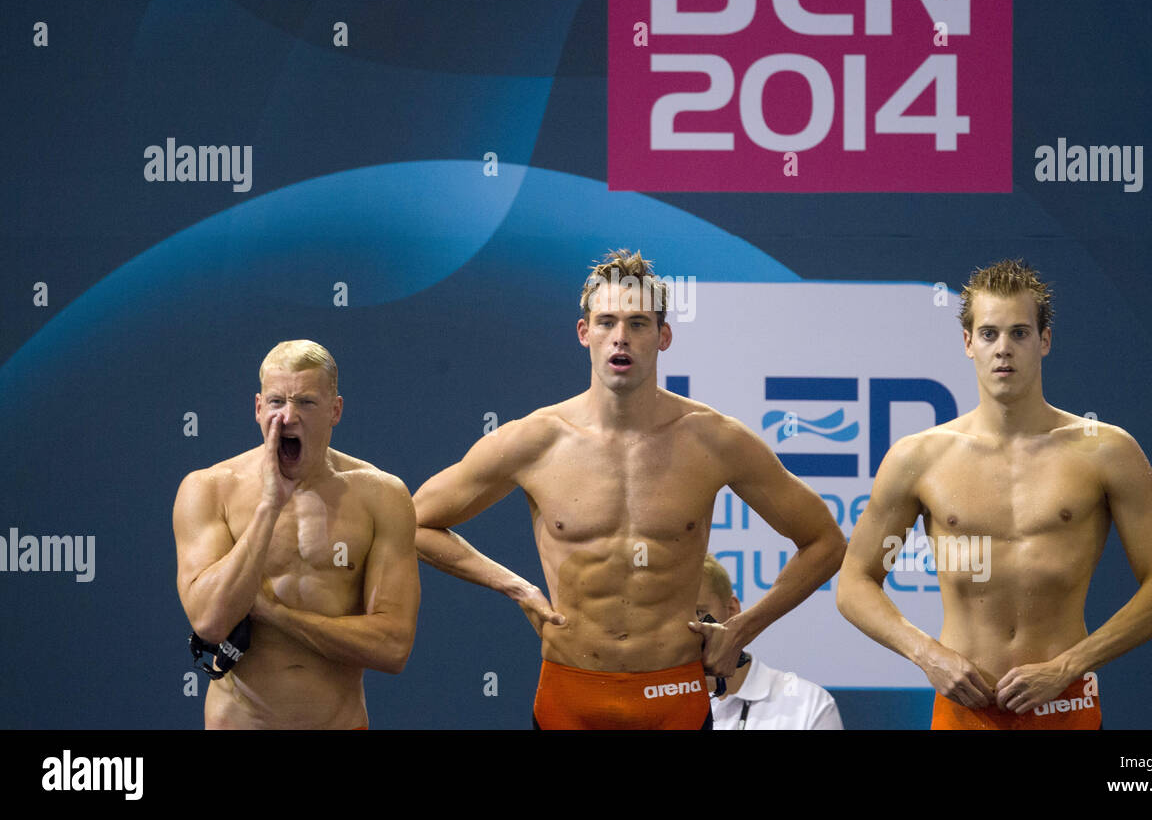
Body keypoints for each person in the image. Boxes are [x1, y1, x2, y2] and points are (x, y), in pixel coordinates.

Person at [414, 249, 846, 729]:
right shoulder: (534, 439)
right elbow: (416, 521)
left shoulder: (715, 440)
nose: (621, 337)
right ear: (585, 334)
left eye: (638, 323)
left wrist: (742, 629)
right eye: (606, 322)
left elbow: (825, 541)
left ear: (663, 337)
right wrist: (516, 587)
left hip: (674, 696)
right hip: (569, 695)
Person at [836, 260, 1152, 729]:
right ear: (968, 343)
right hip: (964, 713)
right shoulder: (918, 458)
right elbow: (854, 583)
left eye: (1020, 333)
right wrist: (928, 654)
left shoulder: (1106, 451)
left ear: (1044, 341)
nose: (1004, 349)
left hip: (1066, 707)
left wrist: (1067, 666)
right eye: (989, 334)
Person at [173, 340, 420, 728]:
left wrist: (279, 615)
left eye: (306, 402)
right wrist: (269, 506)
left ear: (335, 410)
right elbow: (210, 622)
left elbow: (393, 646)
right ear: (257, 409)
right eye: (276, 402)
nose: (287, 417)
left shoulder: (382, 496)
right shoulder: (208, 489)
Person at [696, 554, 843, 729]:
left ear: (732, 609)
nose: (687, 627)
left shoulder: (806, 705)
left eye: (698, 612)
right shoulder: (657, 704)